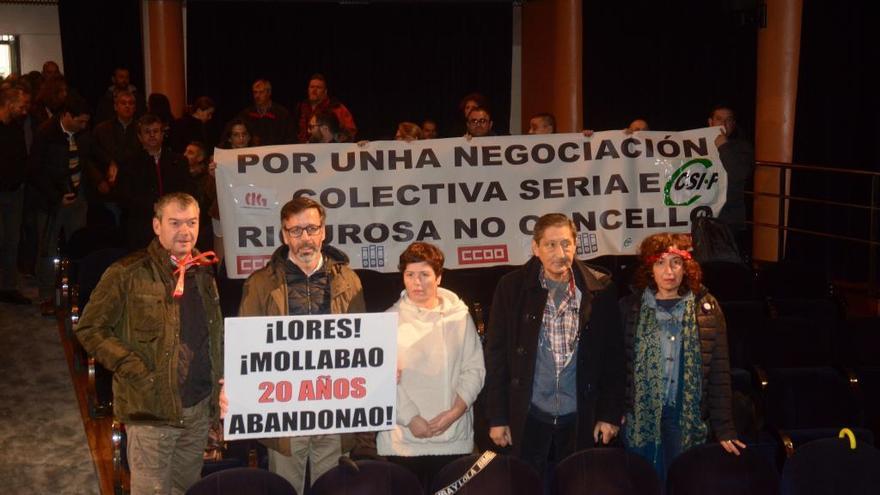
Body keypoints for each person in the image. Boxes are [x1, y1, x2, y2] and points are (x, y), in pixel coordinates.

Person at [76, 192, 223, 495]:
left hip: (196, 409)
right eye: (175, 222)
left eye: (192, 222)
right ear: (157, 226)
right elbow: (90, 328)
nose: (185, 231)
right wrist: (135, 369)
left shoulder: (204, 271)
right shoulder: (126, 273)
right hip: (151, 412)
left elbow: (212, 335)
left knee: (188, 489)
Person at [236, 196, 369, 494]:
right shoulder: (260, 283)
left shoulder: (350, 281)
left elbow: (363, 345)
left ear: (323, 231)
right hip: (284, 412)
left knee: (333, 489)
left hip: (334, 408)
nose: (304, 238)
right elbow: (246, 346)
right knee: (284, 489)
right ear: (284, 235)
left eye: (311, 228)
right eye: (295, 231)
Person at [484, 213, 625, 478]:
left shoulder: (600, 289)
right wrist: (498, 416)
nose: (559, 252)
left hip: (581, 417)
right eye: (550, 245)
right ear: (535, 248)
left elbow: (614, 359)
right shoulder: (511, 288)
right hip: (529, 415)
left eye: (566, 244)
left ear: (575, 245)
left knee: (579, 486)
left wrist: (609, 413)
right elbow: (496, 357)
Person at [620, 232, 744, 481]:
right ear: (649, 268)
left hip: (684, 416)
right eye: (660, 262)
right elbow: (617, 366)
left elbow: (719, 371)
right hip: (640, 415)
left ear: (686, 267)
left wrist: (724, 428)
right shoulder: (629, 307)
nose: (669, 271)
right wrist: (617, 409)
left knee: (683, 481)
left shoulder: (706, 308)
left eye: (676, 262)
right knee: (645, 482)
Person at [377, 242, 485, 491]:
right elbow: (383, 379)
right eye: (410, 275)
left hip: (453, 438)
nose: (417, 282)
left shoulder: (460, 316)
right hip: (402, 441)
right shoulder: (387, 320)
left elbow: (474, 370)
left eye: (424, 275)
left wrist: (454, 412)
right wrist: (411, 417)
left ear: (438, 277)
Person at [27, 93, 93, 314]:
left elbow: (87, 160)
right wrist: (56, 197)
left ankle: (78, 291)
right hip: (50, 202)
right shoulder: (46, 133)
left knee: (79, 244)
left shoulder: (81, 134)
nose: (83, 125)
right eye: (80, 121)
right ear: (66, 115)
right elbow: (36, 171)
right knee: (47, 247)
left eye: (86, 121)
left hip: (77, 196)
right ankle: (46, 296)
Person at [118, 113, 194, 250]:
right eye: (147, 132)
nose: (152, 135)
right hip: (141, 225)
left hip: (175, 222)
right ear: (140, 137)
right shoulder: (128, 163)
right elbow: (123, 196)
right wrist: (151, 205)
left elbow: (187, 190)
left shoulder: (178, 161)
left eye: (156, 131)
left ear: (162, 134)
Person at [708, 104, 754, 255]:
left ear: (733, 124)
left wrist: (723, 147)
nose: (723, 124)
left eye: (728, 120)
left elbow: (739, 173)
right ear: (710, 122)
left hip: (728, 218)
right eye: (719, 119)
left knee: (724, 262)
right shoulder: (697, 144)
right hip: (702, 216)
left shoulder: (742, 147)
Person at [0, 86, 30, 304]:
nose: (24, 110)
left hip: (15, 192)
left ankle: (8, 286)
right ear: (9, 104)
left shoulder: (17, 127)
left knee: (12, 240)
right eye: (21, 106)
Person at [296, 73, 357, 143]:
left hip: (328, 150)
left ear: (325, 92)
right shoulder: (301, 108)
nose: (314, 90)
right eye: (312, 87)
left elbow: (350, 132)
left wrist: (334, 141)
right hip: (304, 150)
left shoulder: (336, 107)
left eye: (318, 87)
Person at [237, 79, 293, 146]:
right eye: (255, 92)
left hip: (276, 153)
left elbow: (290, 138)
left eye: (261, 92)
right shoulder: (246, 114)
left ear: (269, 93)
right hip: (253, 153)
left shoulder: (282, 114)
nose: (257, 96)